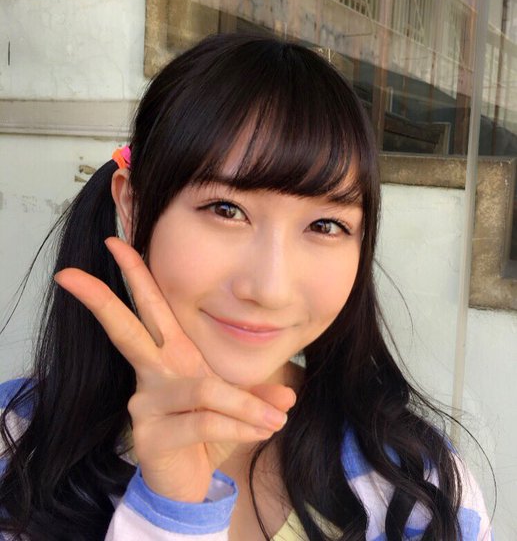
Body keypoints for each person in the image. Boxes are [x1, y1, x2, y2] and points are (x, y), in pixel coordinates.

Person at [0, 34, 491, 541]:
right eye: (226, 210)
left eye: (325, 225)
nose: (270, 289)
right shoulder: (15, 445)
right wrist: (169, 512)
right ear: (133, 206)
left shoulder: (417, 488)